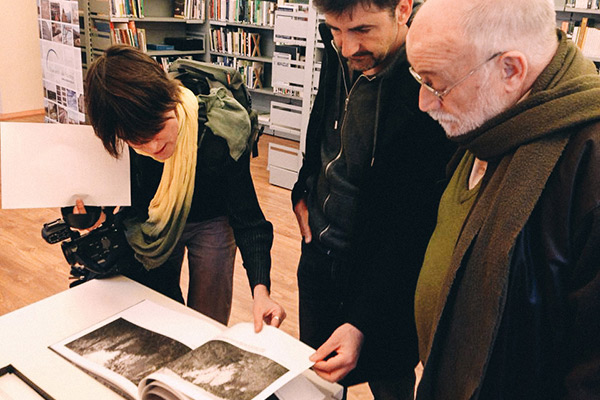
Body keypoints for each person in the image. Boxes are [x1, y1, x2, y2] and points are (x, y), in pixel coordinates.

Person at [405, 0, 600, 398]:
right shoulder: (494, 122)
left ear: (510, 69)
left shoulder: (588, 165)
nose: (424, 103)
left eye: (436, 84)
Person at [291, 0, 455, 398]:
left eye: (362, 30)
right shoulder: (340, 49)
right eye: (335, 30)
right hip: (319, 251)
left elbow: (414, 220)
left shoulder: (431, 80)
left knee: (391, 376)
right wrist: (304, 183)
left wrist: (364, 319)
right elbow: (324, 114)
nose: (347, 48)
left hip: (385, 266)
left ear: (402, 8)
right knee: (315, 376)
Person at [81, 45, 285, 332]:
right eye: (137, 141)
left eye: (157, 129)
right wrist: (88, 214)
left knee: (208, 323)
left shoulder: (220, 132)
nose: (152, 147)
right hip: (154, 227)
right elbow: (114, 202)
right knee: (159, 314)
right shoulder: (122, 141)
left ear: (170, 100)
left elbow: (249, 219)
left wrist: (261, 292)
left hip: (213, 219)